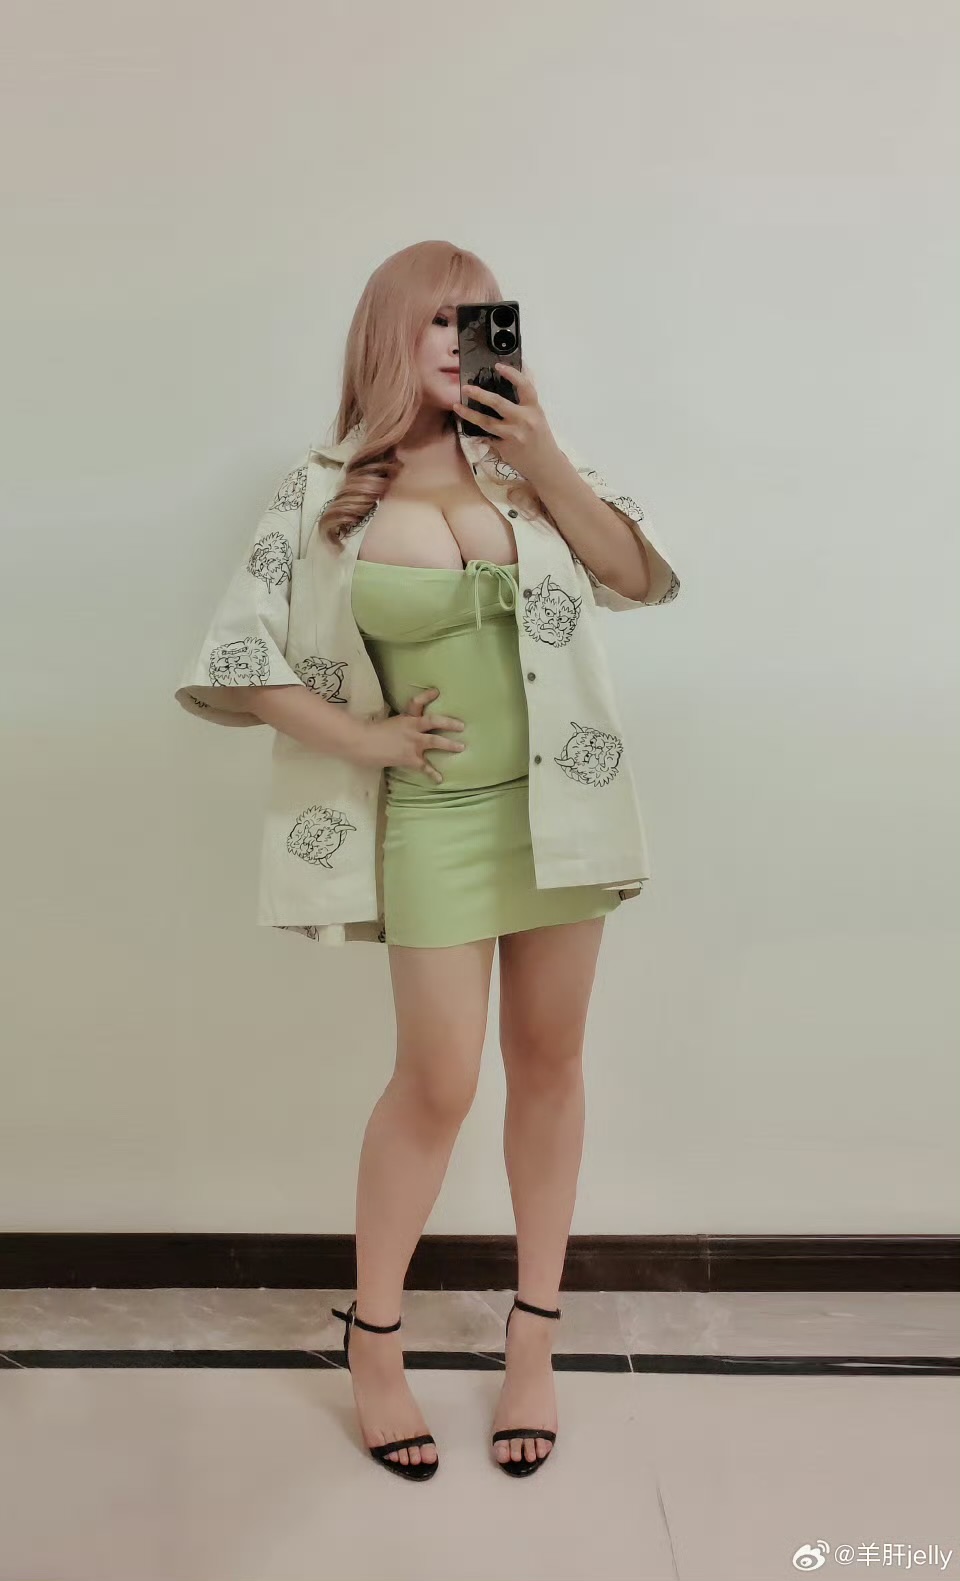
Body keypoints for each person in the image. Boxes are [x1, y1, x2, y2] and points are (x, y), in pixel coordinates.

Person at [181, 239, 680, 1481]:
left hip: (563, 809)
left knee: (550, 1065)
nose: (468, 344)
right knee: (439, 1081)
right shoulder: (322, 493)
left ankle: (534, 1340)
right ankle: (375, 1340)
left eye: (486, 321)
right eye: (444, 322)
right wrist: (368, 739)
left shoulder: (529, 472)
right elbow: (239, 657)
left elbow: (637, 578)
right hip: (439, 820)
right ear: (391, 335)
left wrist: (543, 457)